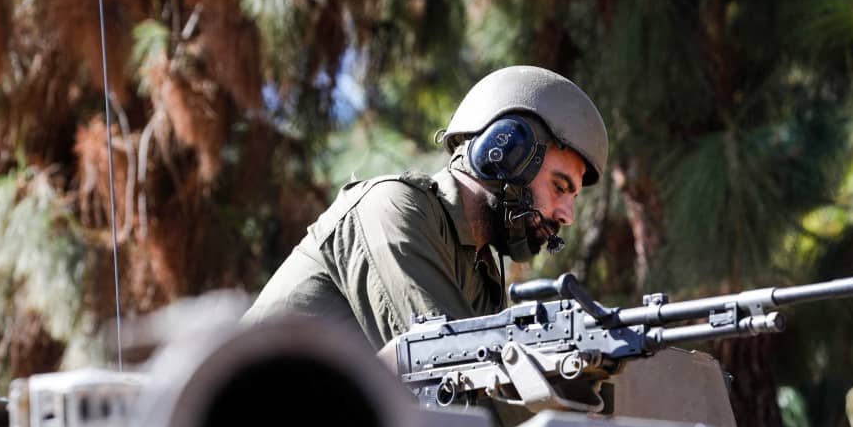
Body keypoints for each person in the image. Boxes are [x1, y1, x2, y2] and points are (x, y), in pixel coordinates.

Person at [243, 66, 609, 350]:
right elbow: (442, 371)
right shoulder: (393, 209)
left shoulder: (482, 277)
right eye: (560, 187)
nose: (566, 215)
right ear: (506, 153)